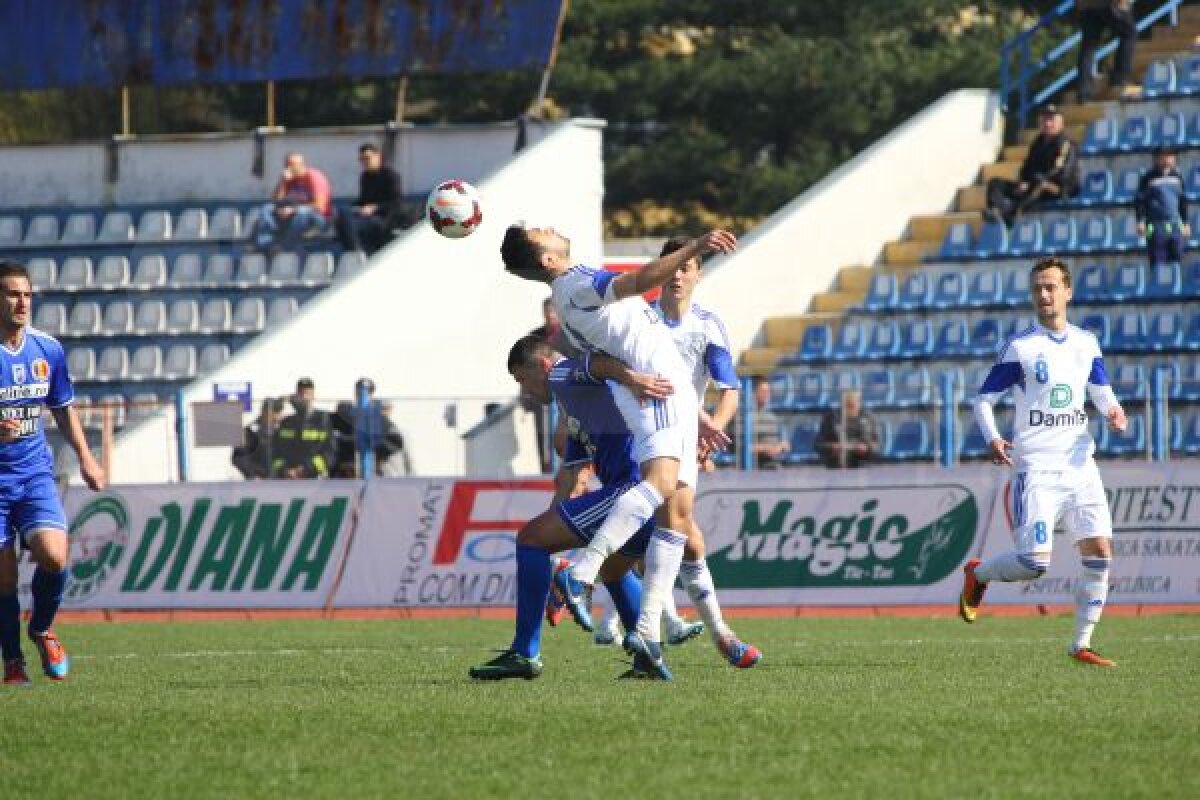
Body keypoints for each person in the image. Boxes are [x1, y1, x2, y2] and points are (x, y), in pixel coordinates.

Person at [501, 224, 737, 678]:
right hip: (655, 389)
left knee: (677, 515)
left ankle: (648, 636)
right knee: (662, 491)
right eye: (540, 232)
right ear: (547, 259)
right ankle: (582, 573)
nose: (550, 228)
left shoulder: (573, 290)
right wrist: (696, 246)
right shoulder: (573, 284)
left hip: (670, 392)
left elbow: (617, 346)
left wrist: (695, 411)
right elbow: (642, 279)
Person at [588, 236, 758, 667]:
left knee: (686, 539)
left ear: (699, 273)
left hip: (683, 436)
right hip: (637, 435)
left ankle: (641, 625)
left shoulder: (707, 325)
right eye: (672, 265)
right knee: (676, 533)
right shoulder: (640, 319)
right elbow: (607, 366)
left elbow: (729, 390)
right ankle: (699, 632)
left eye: (687, 267)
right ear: (662, 269)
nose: (678, 274)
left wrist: (711, 431)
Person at [468, 336, 667, 681]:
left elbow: (600, 365)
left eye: (522, 380)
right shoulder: (573, 411)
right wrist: (547, 542)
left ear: (541, 366)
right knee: (613, 570)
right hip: (642, 497)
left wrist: (632, 378)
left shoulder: (561, 374)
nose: (526, 391)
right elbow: (572, 482)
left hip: (632, 490)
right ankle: (649, 662)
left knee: (530, 539)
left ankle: (524, 652)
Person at [961, 256, 1126, 668]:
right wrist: (995, 437)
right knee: (1034, 564)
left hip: (1080, 464)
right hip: (1036, 467)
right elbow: (983, 400)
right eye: (1037, 288)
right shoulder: (1022, 348)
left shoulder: (1087, 342)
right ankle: (978, 575)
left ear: (1068, 291)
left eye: (1051, 287)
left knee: (1100, 550)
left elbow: (1100, 388)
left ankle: (1081, 645)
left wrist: (1113, 411)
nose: (1044, 294)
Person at [0, 259, 106, 685]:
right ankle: (13, 662)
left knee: (55, 555)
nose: (22, 302)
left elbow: (62, 408)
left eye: (26, 294)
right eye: (12, 293)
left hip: (34, 474)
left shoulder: (47, 349)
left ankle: (42, 629)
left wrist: (86, 456)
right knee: (4, 575)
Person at [985, 106, 1079, 226]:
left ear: (1061, 123)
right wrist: (1023, 181)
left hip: (1058, 188)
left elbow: (1061, 172)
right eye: (1044, 120)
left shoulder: (1066, 144)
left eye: (1051, 120)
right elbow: (1027, 167)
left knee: (1040, 184)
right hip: (1034, 184)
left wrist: (1032, 181)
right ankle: (995, 210)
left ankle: (1011, 213)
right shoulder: (1037, 143)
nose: (1047, 123)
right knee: (995, 183)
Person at [249, 152, 333, 253]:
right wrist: (283, 182)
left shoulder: (315, 177)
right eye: (286, 165)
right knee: (267, 208)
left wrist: (293, 209)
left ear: (301, 165)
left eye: (291, 165)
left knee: (302, 211)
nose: (288, 168)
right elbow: (277, 201)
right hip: (291, 216)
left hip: (317, 219)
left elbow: (320, 206)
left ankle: (286, 247)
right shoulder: (289, 179)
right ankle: (265, 244)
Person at [333, 143, 405, 256]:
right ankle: (352, 253)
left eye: (367, 158)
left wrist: (375, 207)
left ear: (378, 156)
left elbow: (396, 203)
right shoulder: (365, 177)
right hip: (367, 217)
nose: (364, 162)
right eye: (361, 159)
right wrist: (353, 208)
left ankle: (356, 254)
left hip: (383, 219)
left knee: (348, 223)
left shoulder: (390, 176)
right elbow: (362, 200)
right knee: (342, 213)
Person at [331, 378, 410, 477]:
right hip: (348, 476)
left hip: (378, 474)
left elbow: (395, 443)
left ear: (372, 395)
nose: (363, 396)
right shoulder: (346, 418)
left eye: (368, 393)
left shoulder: (381, 421)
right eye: (359, 392)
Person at [1135, 146, 1190, 267]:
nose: (1167, 160)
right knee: (1157, 260)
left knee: (1177, 258)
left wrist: (1185, 223)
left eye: (1170, 156)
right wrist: (1140, 221)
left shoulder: (1177, 177)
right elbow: (1140, 202)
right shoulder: (1148, 178)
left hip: (1175, 225)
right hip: (1153, 225)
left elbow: (1182, 201)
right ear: (1156, 159)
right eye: (1163, 156)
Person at [270, 378, 335, 479]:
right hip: (288, 479)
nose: (304, 397)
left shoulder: (322, 419)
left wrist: (306, 469)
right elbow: (274, 453)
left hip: (314, 479)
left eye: (307, 393)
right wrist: (285, 470)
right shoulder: (286, 422)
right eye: (301, 393)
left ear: (313, 396)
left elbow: (330, 453)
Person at [1076, 0, 1139, 104]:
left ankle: (1083, 92)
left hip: (1088, 6)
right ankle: (1120, 79)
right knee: (1129, 33)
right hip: (1109, 4)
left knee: (1088, 47)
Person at [815, 389, 881, 469]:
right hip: (835, 468)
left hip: (862, 467)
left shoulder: (868, 419)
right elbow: (818, 445)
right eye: (847, 404)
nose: (850, 408)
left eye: (853, 404)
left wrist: (866, 448)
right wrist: (832, 447)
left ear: (859, 402)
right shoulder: (831, 418)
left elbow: (877, 445)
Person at [231, 397, 283, 480]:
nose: (277, 416)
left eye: (279, 412)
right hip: (257, 483)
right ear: (264, 412)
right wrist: (253, 474)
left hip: (279, 481)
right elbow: (238, 458)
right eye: (274, 412)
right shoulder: (250, 432)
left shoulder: (280, 432)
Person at [743, 376, 789, 469]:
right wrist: (766, 448)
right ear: (753, 392)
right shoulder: (742, 417)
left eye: (768, 392)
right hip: (754, 465)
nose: (767, 395)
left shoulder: (772, 417)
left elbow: (786, 444)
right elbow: (740, 448)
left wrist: (780, 447)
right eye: (763, 391)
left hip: (774, 462)